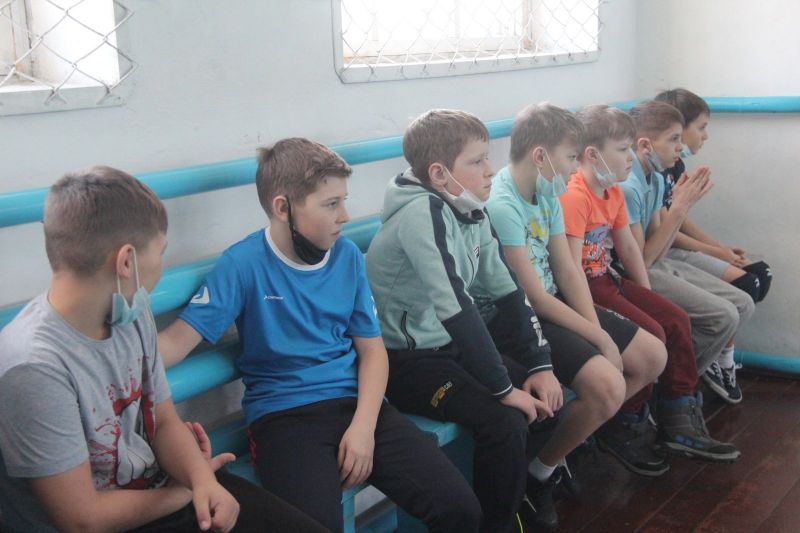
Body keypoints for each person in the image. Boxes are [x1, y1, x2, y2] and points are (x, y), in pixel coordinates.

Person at [158, 138, 481, 533]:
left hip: (357, 407)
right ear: (283, 208)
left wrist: (363, 428)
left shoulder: (346, 258)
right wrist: (109, 353)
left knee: (460, 508)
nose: (344, 215)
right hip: (285, 420)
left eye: (343, 201)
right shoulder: (242, 264)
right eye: (331, 204)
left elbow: (373, 352)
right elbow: (175, 342)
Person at [0, 166, 329, 532]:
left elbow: (164, 422)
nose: (161, 265)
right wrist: (187, 491)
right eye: (160, 252)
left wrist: (201, 480)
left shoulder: (128, 310)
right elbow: (83, 519)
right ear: (127, 262)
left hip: (165, 493)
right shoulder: (34, 368)